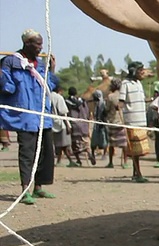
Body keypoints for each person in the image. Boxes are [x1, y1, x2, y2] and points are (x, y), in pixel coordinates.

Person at [0, 29, 59, 205]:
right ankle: (25, 189)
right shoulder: (11, 62)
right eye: (37, 44)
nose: (40, 48)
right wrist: (1, 77)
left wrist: (51, 70)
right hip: (25, 116)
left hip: (42, 114)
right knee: (27, 153)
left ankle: (39, 187)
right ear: (27, 44)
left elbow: (49, 86)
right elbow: (8, 88)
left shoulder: (40, 64)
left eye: (41, 44)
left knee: (45, 153)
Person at [119, 61, 150, 182]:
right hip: (132, 122)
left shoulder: (139, 84)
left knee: (138, 150)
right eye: (140, 70)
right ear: (133, 71)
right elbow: (121, 102)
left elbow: (141, 100)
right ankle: (138, 174)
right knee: (134, 150)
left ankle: (135, 173)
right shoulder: (125, 84)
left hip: (141, 121)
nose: (143, 72)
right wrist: (119, 110)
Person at [66, 86, 95, 166]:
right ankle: (89, 153)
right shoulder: (82, 101)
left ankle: (78, 160)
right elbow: (87, 112)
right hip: (84, 125)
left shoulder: (67, 102)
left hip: (74, 126)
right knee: (86, 143)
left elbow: (66, 113)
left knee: (75, 145)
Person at [103, 78, 129, 169]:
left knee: (112, 144)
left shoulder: (110, 96)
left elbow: (107, 109)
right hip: (122, 122)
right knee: (124, 144)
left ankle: (111, 162)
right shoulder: (124, 96)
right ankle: (125, 162)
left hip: (112, 121)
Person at [50, 85, 75, 167]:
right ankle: (67, 161)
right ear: (59, 90)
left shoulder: (47, 96)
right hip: (61, 124)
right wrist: (68, 125)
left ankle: (60, 161)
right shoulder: (59, 98)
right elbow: (63, 112)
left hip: (52, 123)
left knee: (58, 145)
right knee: (65, 145)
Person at [90, 89, 108, 161]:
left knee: (104, 140)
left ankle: (104, 154)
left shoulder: (103, 104)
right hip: (96, 124)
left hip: (103, 124)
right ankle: (92, 154)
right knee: (94, 141)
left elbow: (105, 114)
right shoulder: (96, 105)